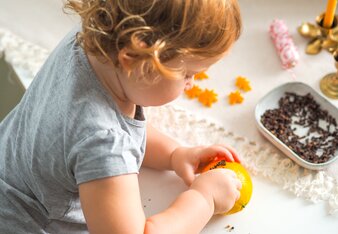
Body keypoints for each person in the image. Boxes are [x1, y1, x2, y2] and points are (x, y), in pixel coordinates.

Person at [0, 0, 243, 233]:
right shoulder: (102, 141)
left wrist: (173, 154)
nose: (191, 84)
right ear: (135, 59)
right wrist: (204, 198)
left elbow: (108, 129)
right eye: (188, 73)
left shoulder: (92, 38)